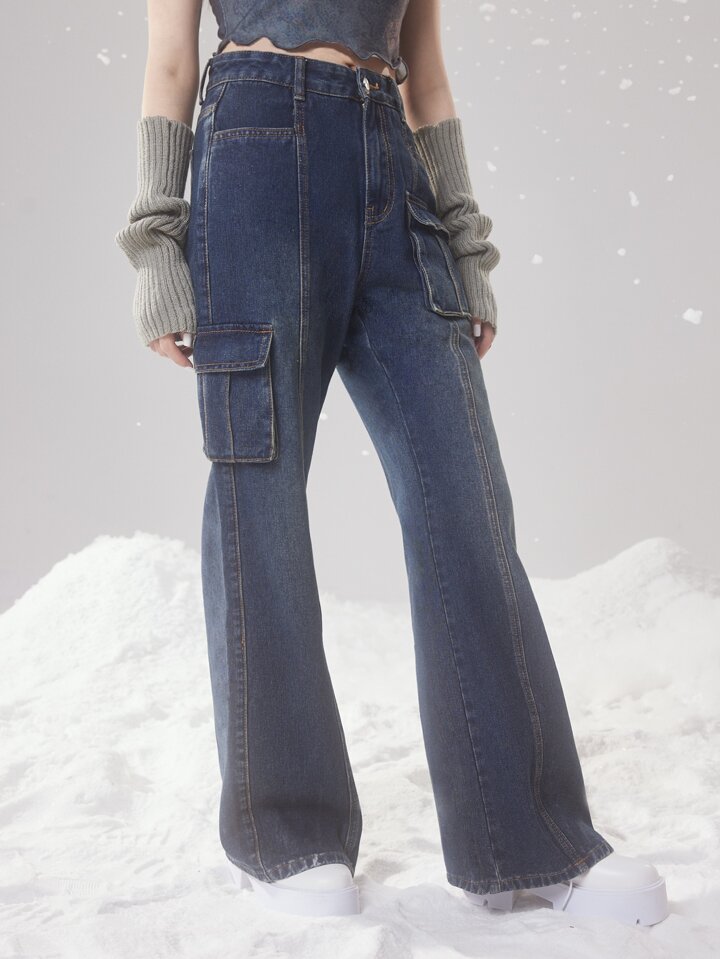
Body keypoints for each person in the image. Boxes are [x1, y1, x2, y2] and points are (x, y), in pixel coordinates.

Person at [115, 0, 669, 924]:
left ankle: (526, 838)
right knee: (260, 495)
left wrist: (465, 239)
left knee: (465, 497)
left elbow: (428, 77)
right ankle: (286, 834)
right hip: (253, 160)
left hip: (394, 178)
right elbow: (172, 62)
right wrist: (153, 246)